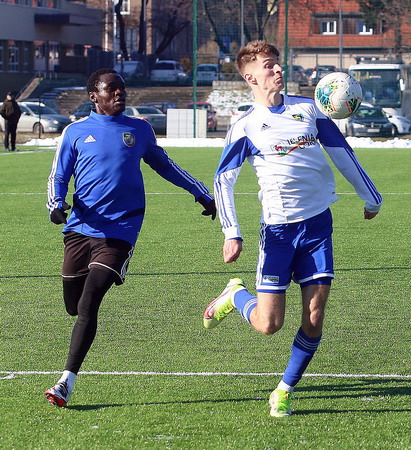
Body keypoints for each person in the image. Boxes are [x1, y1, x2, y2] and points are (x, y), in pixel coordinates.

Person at [203, 41, 382, 417]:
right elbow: (223, 180)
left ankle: (285, 388)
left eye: (277, 63)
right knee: (269, 324)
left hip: (317, 226)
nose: (278, 69)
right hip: (279, 233)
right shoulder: (246, 126)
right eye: (268, 65)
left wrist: (372, 198)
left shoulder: (311, 109)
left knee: (314, 315)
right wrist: (231, 232)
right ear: (250, 77)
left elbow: (343, 155)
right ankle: (236, 296)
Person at [45, 68, 216, 407]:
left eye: (122, 88)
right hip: (79, 229)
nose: (119, 93)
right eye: (111, 89)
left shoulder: (139, 129)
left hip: (121, 230)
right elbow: (59, 176)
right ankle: (76, 338)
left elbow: (164, 165)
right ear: (94, 96)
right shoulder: (75, 132)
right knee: (74, 306)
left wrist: (200, 193)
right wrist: (55, 204)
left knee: (90, 301)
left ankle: (66, 381)